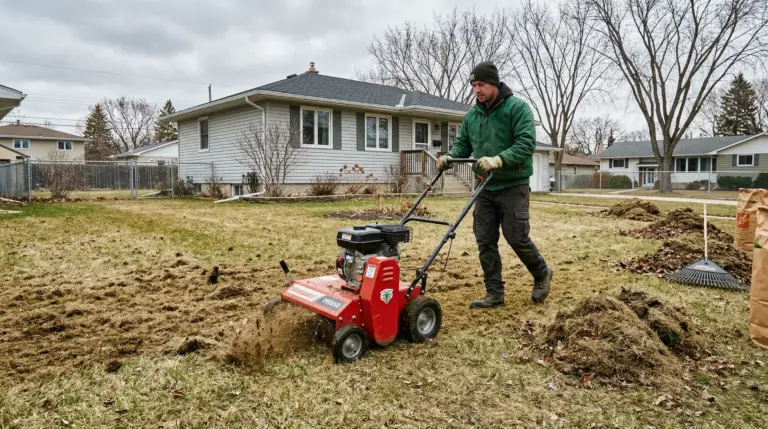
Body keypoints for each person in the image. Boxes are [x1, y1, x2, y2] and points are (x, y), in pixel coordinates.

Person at [437, 60, 552, 309]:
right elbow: (463, 145)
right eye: (473, 85)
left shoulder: (517, 108)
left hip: (513, 185)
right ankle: (494, 293)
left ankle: (542, 273)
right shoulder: (472, 115)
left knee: (517, 238)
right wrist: (450, 157)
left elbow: (525, 144)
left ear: (495, 83)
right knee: (485, 240)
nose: (476, 89)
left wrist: (500, 160)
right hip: (484, 187)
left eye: (481, 84)